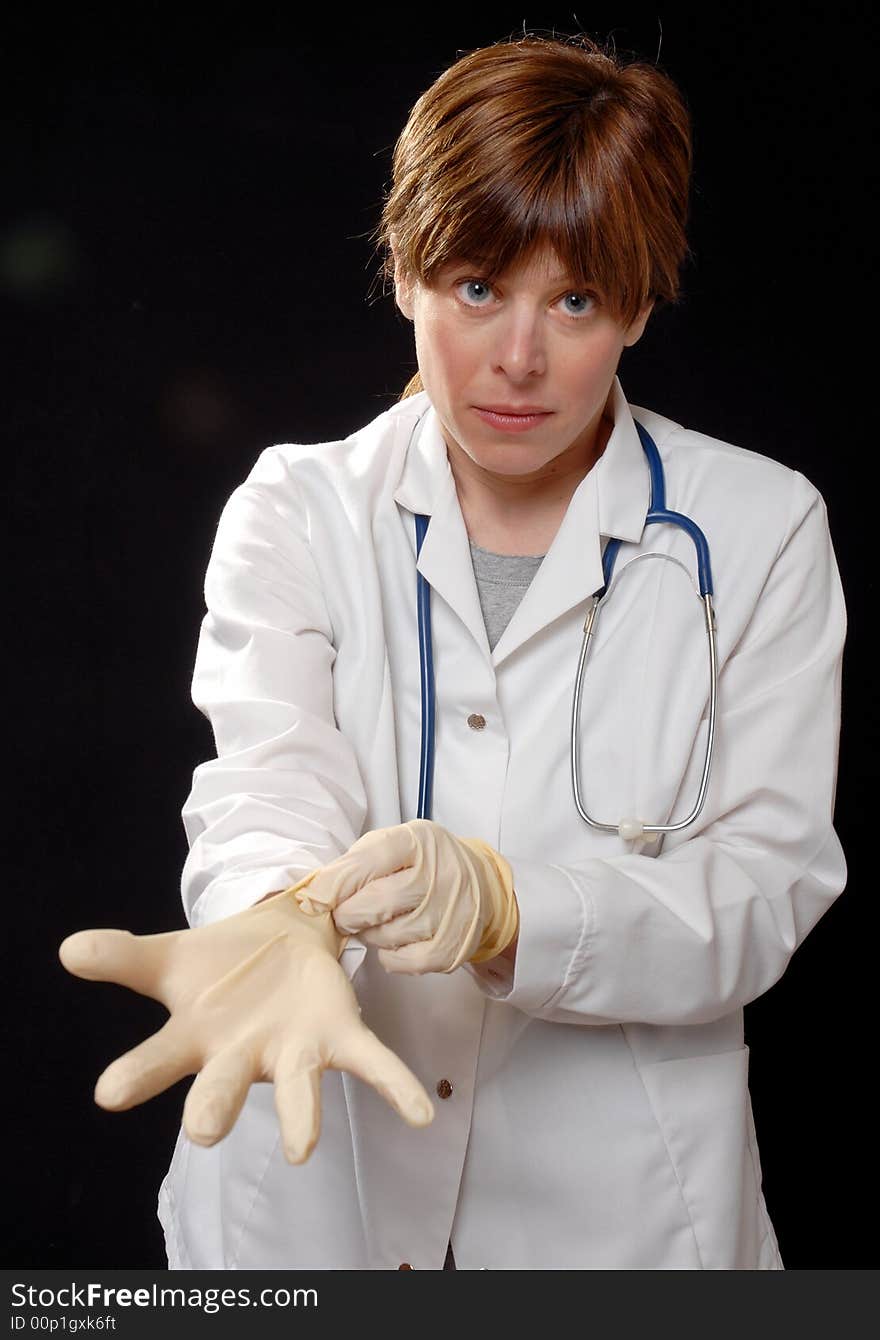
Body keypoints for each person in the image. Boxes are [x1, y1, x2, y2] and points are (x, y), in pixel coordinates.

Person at [59, 33, 847, 1270]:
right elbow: (267, 779)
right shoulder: (298, 507)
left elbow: (763, 883)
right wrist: (281, 915)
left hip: (619, 1225)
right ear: (408, 272)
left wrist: (513, 905)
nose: (518, 359)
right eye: (479, 287)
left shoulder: (756, 530)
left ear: (638, 305)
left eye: (575, 300)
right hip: (315, 1213)